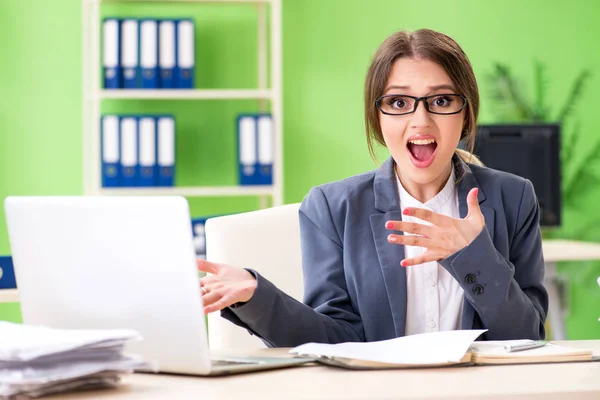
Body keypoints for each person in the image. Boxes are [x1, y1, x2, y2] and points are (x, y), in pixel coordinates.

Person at [197, 29, 549, 347]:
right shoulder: (331, 208)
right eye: (398, 103)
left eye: (441, 101)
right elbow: (333, 340)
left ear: (466, 114)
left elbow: (528, 337)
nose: (420, 120)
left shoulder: (513, 198)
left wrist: (473, 255)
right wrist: (257, 296)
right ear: (377, 118)